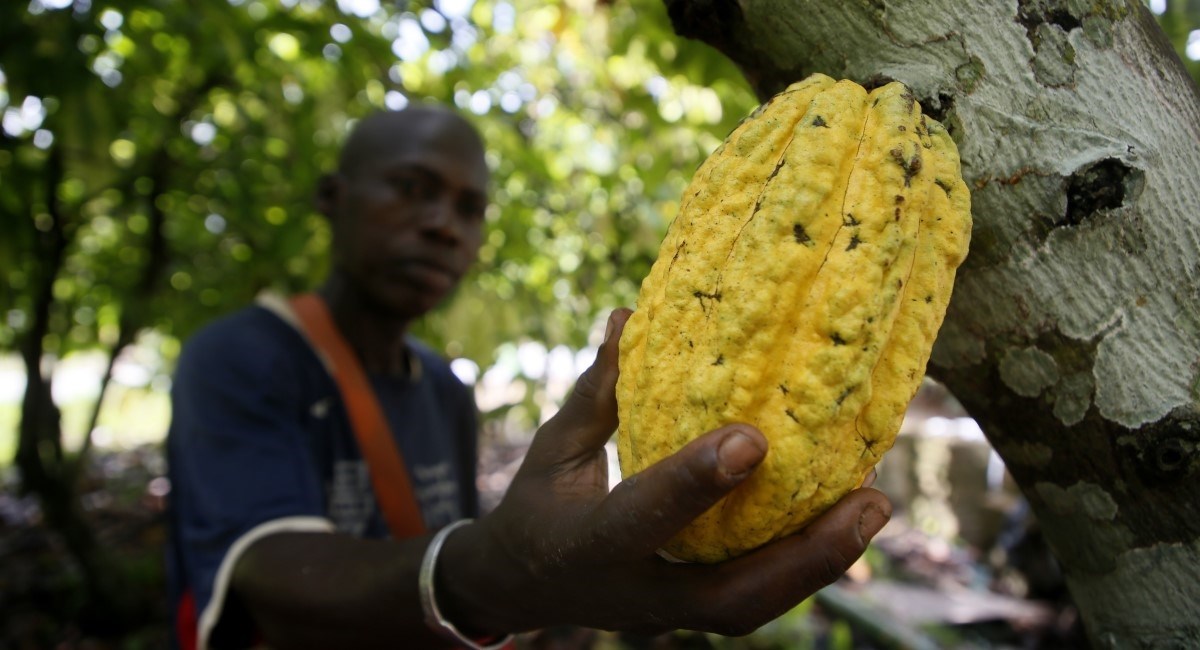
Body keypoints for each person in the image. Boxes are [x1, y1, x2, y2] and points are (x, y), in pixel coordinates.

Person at [165, 104, 892, 649]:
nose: (442, 225)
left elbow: (441, 543)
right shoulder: (241, 357)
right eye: (411, 189)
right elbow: (265, 579)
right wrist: (498, 579)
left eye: (467, 208)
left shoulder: (444, 390)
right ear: (333, 197)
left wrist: (558, 604)